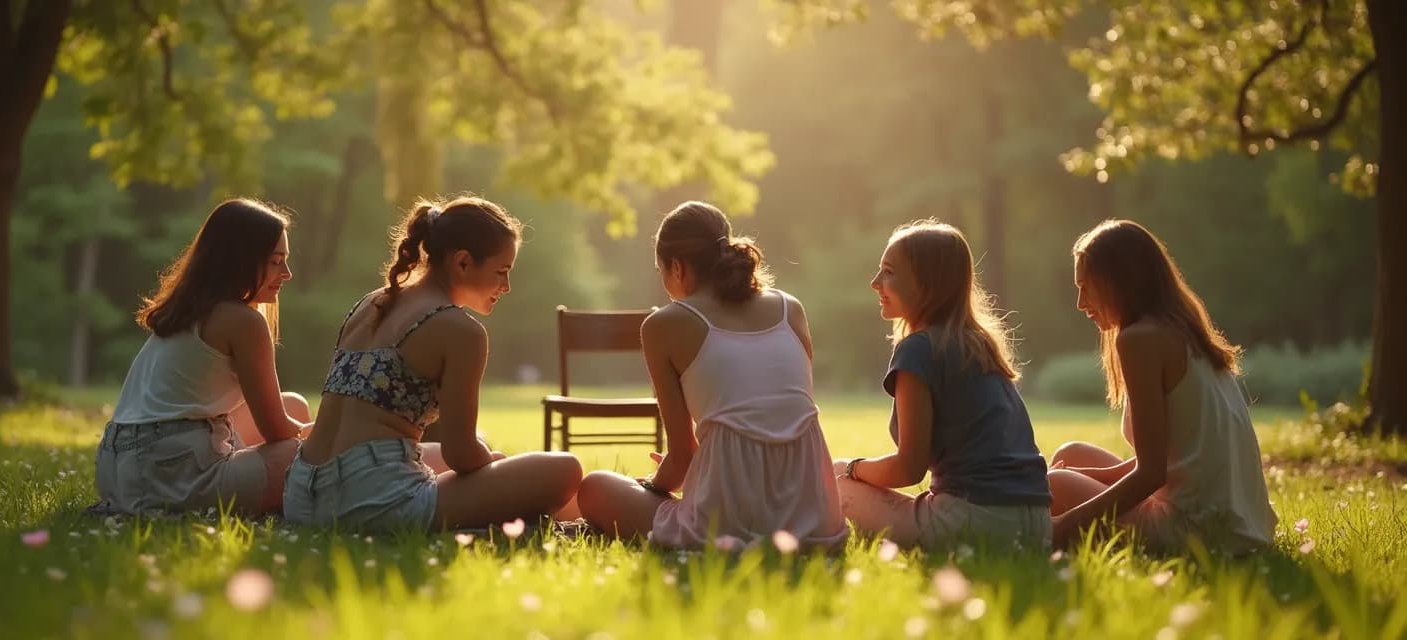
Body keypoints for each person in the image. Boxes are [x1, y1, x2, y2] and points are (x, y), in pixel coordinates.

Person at [284, 196, 582, 533]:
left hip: (302, 492)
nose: (507, 287)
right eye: (502, 272)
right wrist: (492, 465)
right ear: (463, 262)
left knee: (460, 461)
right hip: (370, 500)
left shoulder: (370, 303)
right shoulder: (460, 330)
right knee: (564, 470)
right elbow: (462, 455)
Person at [576, 201, 847, 550]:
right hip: (818, 521)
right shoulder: (789, 308)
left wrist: (654, 484)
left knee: (596, 488)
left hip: (726, 525)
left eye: (660, 270)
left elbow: (683, 458)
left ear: (676, 267)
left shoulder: (664, 325)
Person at [1049, 219, 1277, 552]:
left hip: (1200, 530)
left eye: (1086, 287)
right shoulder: (1181, 331)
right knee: (1070, 455)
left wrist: (1064, 525)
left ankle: (1052, 535)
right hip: (1240, 524)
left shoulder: (1139, 339)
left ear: (1118, 280)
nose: (1080, 303)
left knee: (1053, 484)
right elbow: (1170, 461)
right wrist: (1092, 475)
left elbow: (1151, 475)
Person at [836, 219, 1051, 551]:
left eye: (889, 272)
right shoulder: (980, 345)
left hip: (976, 522)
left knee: (835, 480)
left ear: (927, 283)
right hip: (1038, 523)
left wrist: (853, 468)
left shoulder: (919, 349)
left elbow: (909, 468)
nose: (875, 283)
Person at [95, 198, 311, 516]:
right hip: (165, 474)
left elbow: (278, 418)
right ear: (241, 261)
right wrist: (334, 432)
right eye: (276, 262)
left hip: (117, 468)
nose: (287, 274)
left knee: (294, 405)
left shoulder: (190, 309)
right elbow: (277, 431)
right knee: (304, 455)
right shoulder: (243, 321)